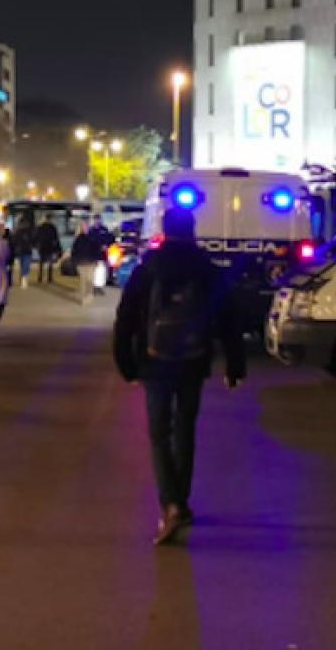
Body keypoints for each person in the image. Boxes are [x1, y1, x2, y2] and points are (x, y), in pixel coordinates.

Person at [113, 206, 245, 546]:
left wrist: (125, 362)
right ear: (193, 229)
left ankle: (169, 503)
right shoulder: (206, 267)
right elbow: (228, 317)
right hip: (193, 360)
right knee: (185, 431)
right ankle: (181, 503)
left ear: (164, 228)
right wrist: (234, 364)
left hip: (155, 361)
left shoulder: (149, 267)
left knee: (159, 433)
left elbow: (126, 315)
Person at [70, 219, 105, 306]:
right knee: (84, 280)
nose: (85, 228)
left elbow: (97, 249)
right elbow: (74, 251)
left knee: (88, 280)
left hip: (89, 262)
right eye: (83, 226)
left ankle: (88, 296)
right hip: (83, 262)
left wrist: (97, 260)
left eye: (86, 226)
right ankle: (84, 297)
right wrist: (74, 261)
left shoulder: (89, 237)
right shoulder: (81, 238)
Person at [35, 215, 61, 283]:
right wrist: (58, 248)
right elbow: (56, 238)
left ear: (44, 219)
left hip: (42, 247)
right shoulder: (53, 227)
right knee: (50, 263)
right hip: (50, 247)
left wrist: (36, 245)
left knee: (41, 263)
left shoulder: (40, 227)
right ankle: (49, 278)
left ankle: (40, 277)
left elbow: (36, 237)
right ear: (50, 219)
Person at [12, 212, 36, 288]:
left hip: (19, 251)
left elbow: (14, 241)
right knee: (26, 265)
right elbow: (33, 240)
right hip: (27, 250)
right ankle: (24, 278)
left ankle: (23, 278)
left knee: (22, 265)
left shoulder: (17, 231)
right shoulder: (30, 231)